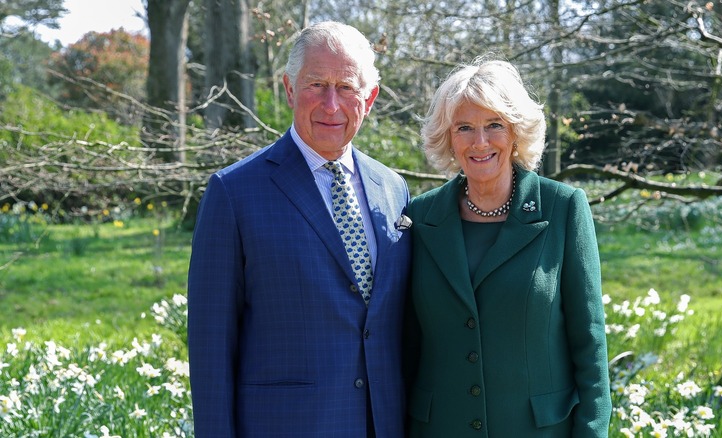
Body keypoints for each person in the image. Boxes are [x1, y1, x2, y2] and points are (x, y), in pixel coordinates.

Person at [187, 21, 412, 437]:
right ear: (290, 89)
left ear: (370, 98)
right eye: (315, 85)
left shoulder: (394, 189)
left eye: (346, 87)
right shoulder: (234, 193)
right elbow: (210, 348)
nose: (331, 104)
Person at [404, 58, 611, 436]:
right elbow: (406, 344)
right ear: (448, 137)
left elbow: (590, 343)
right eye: (464, 127)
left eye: (494, 125)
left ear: (516, 132)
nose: (480, 142)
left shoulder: (563, 208)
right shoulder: (419, 218)